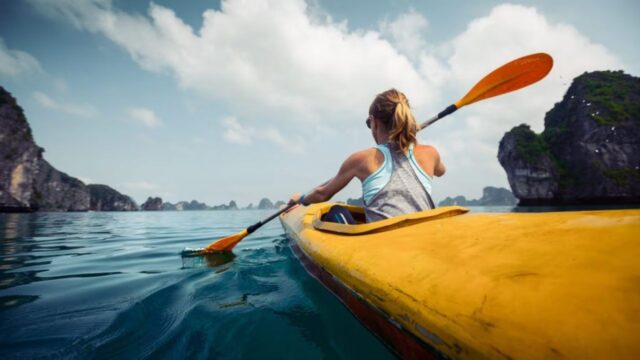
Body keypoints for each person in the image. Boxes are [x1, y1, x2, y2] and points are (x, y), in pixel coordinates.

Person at [289, 89, 446, 223]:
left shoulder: (361, 159)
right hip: (424, 235)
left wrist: (301, 199)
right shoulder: (430, 153)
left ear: (374, 122)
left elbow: (322, 193)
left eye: (368, 123)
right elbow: (441, 171)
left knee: (336, 212)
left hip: (384, 244)